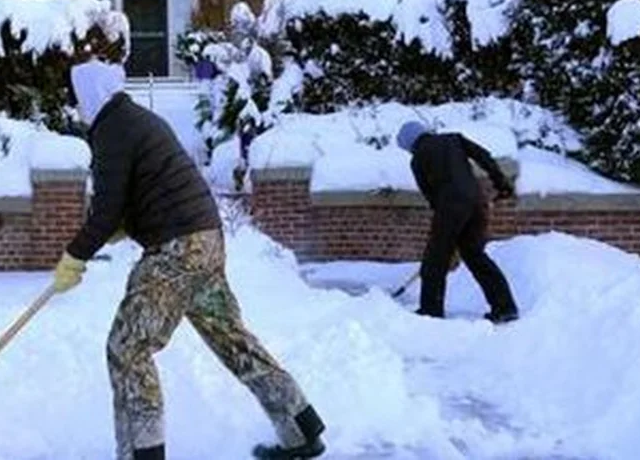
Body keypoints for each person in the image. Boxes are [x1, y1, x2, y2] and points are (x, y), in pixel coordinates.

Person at [53, 59, 327, 460]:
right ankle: (302, 428)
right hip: (205, 241)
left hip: (177, 250)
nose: (77, 110)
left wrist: (74, 256)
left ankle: (142, 453)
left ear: (90, 96)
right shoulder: (136, 119)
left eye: (76, 100)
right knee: (233, 339)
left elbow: (108, 208)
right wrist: (113, 230)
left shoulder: (112, 129)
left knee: (127, 347)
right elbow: (141, 194)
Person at [394, 120, 520, 324]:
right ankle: (505, 307)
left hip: (450, 206)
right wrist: (501, 184)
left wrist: (444, 231)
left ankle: (430, 311)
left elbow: (431, 195)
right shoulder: (454, 139)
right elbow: (484, 157)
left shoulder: (417, 160)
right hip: (476, 202)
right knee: (475, 255)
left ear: (411, 144)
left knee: (435, 259)